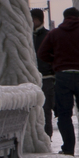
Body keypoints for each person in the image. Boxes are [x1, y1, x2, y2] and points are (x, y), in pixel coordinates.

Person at [36, 6, 79, 156]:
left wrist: (55, 62)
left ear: (64, 17)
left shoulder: (55, 33)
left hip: (63, 75)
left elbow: (42, 53)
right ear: (78, 17)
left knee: (64, 113)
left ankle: (68, 147)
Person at [32, 8, 54, 137]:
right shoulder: (27, 35)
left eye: (34, 19)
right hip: (32, 77)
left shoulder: (48, 35)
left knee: (46, 108)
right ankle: (37, 135)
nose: (32, 21)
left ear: (40, 20)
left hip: (46, 77)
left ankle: (47, 135)